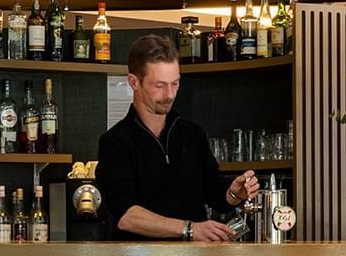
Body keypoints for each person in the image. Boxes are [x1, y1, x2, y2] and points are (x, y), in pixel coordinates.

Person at [97, 34, 258, 241]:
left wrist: (235, 193)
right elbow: (127, 216)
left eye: (175, 83)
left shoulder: (192, 134)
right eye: (159, 85)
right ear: (134, 82)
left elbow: (218, 197)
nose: (170, 94)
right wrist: (190, 229)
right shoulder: (115, 142)